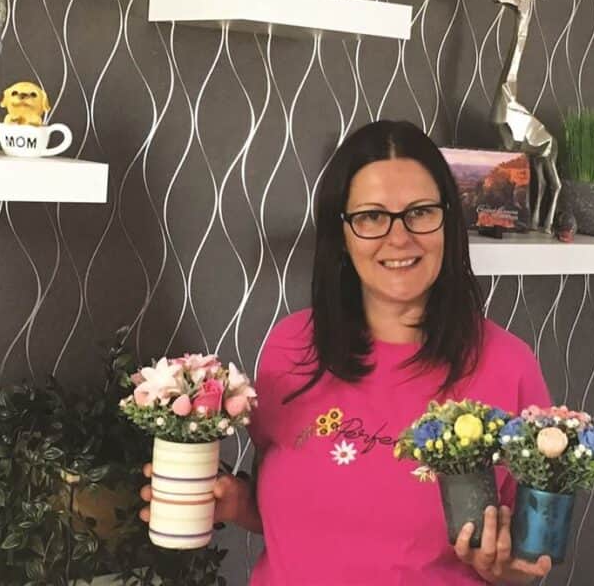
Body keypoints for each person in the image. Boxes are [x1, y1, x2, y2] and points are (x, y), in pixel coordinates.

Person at [141, 120, 554, 584]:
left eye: (419, 212)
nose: (399, 237)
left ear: (448, 222)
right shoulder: (291, 348)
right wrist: (234, 501)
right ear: (342, 234)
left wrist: (501, 570)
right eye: (371, 216)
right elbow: (300, 514)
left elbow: (527, 564)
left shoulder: (508, 367)